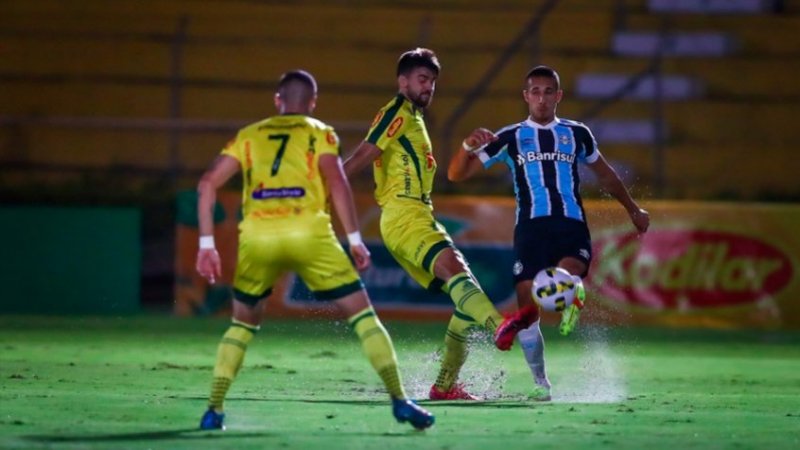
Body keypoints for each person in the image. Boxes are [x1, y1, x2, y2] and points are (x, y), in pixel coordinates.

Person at [195, 70, 434, 430]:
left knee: (241, 325)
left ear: (277, 100)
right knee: (363, 317)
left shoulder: (249, 135)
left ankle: (213, 409)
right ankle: (400, 400)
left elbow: (207, 183)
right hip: (309, 233)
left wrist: (206, 244)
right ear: (313, 102)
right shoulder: (320, 132)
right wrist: (354, 239)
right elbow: (337, 181)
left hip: (259, 237)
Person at [447, 65, 650, 400]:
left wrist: (633, 209)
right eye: (535, 92)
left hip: (570, 224)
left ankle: (572, 290)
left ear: (559, 96)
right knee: (528, 311)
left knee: (562, 275)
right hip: (530, 228)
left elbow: (606, 175)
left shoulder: (577, 133)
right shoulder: (509, 137)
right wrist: (466, 146)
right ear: (526, 96)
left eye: (548, 91)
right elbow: (456, 175)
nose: (542, 98)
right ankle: (541, 383)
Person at [343, 48, 535, 401]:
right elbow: (364, 154)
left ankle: (445, 385)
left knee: (465, 293)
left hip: (417, 214)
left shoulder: (415, 119)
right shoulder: (397, 112)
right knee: (455, 271)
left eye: (432, 81)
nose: (428, 86)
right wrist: (328, 184)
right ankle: (499, 325)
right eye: (422, 79)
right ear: (402, 81)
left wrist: (466, 145)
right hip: (404, 215)